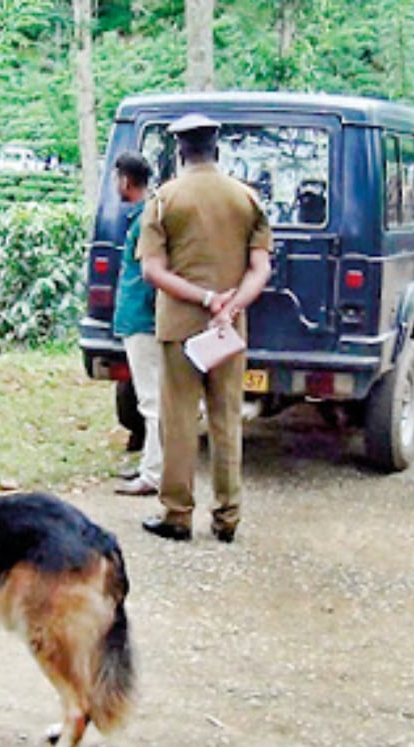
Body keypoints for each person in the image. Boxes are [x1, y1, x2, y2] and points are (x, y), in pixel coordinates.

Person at [136, 113, 272, 543]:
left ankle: (177, 515)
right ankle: (227, 518)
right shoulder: (247, 198)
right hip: (228, 331)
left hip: (180, 327)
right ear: (217, 148)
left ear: (180, 150)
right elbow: (260, 268)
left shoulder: (164, 199)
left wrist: (203, 299)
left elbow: (152, 271)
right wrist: (231, 304)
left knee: (177, 420)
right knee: (227, 419)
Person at [111, 152, 160, 497]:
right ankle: (151, 466)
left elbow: (151, 274)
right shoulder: (143, 216)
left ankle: (154, 474)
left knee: (152, 402)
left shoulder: (147, 220)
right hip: (139, 319)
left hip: (144, 320)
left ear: (126, 181)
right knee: (152, 399)